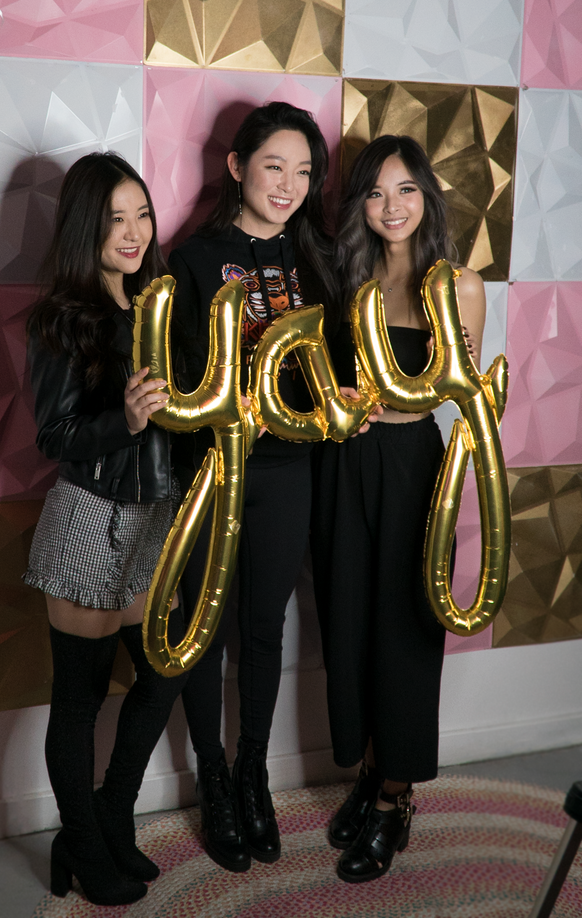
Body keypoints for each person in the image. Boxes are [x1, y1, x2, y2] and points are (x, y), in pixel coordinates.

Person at [168, 102, 339, 872]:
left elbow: (339, 366)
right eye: (274, 165)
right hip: (212, 467)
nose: (289, 185)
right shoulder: (193, 259)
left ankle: (251, 774)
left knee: (263, 628)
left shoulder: (318, 257)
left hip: (287, 472)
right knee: (203, 626)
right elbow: (172, 380)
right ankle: (212, 778)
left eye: (304, 171)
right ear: (236, 166)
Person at [311, 135, 486, 883]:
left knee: (406, 629)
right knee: (349, 623)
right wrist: (341, 403)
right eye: (377, 192)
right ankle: (367, 772)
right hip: (341, 468)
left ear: (426, 198)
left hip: (415, 470)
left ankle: (393, 800)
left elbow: (464, 391)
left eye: (405, 190)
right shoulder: (345, 276)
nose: (391, 206)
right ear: (360, 204)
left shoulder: (457, 284)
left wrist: (404, 405)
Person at [24, 152, 188, 906]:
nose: (133, 231)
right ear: (87, 226)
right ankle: (84, 846)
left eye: (142, 214)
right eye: (116, 217)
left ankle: (110, 815)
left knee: (164, 671)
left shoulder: (160, 303)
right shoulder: (64, 317)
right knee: (80, 698)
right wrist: (121, 420)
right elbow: (54, 434)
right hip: (92, 515)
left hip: (156, 517)